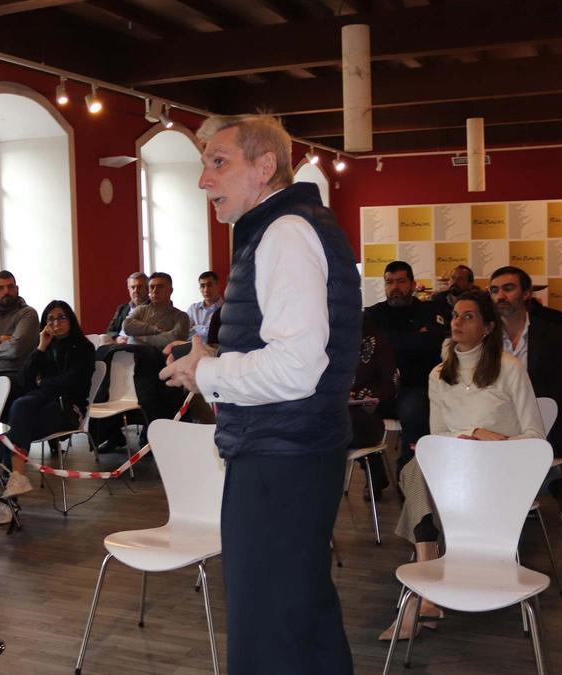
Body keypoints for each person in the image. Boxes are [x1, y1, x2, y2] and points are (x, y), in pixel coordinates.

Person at [161, 113, 358, 674]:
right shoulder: (292, 226)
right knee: (304, 618)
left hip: (280, 458)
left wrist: (209, 375)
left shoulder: (285, 232)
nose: (204, 180)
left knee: (266, 631)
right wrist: (214, 362)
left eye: (219, 162)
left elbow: (297, 368)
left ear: (265, 165)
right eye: (204, 165)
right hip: (295, 451)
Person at [382, 289, 544, 640]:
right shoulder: (439, 375)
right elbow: (438, 435)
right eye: (455, 315)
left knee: (415, 474)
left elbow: (536, 438)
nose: (457, 321)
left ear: (487, 327)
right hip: (456, 472)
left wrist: (489, 437)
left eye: (468, 315)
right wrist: (464, 440)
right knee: (415, 468)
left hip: (502, 470)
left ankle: (424, 595)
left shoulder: (509, 368)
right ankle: (428, 586)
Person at [490, 266, 562, 513]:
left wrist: (526, 397)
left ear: (526, 294)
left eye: (508, 288)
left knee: (531, 413)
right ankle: (555, 483)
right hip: (492, 419)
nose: (500, 295)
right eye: (494, 290)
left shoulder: (551, 333)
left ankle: (523, 496)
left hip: (536, 417)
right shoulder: (485, 335)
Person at [0, 301, 96, 502]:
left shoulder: (84, 347)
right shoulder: (46, 346)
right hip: (41, 407)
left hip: (68, 409)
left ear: (70, 319)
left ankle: (10, 484)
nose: (56, 323)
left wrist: (43, 383)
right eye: (50, 319)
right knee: (14, 425)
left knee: (15, 420)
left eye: (61, 317)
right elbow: (25, 379)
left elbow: (73, 383)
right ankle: (14, 484)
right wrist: (41, 347)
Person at [365, 260, 447, 470]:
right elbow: (368, 349)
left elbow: (432, 344)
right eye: (389, 282)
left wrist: (388, 340)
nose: (395, 287)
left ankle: (408, 477)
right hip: (379, 388)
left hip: (415, 387)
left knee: (413, 411)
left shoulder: (429, 311)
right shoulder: (373, 315)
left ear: (412, 284)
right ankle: (375, 475)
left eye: (401, 281)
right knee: (356, 413)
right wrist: (413, 339)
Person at [349, 315, 399, 494]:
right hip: (339, 411)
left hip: (370, 412)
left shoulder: (375, 340)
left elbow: (390, 385)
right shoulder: (326, 339)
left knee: (342, 423)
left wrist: (367, 398)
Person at [122, 272, 190, 349]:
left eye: (160, 287)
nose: (155, 291)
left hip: (163, 358)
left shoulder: (181, 316)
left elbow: (174, 338)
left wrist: (141, 338)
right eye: (151, 287)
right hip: (134, 356)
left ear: (170, 290)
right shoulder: (140, 310)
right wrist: (155, 330)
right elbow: (126, 326)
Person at [105, 272, 149, 342]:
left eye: (139, 287)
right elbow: (110, 331)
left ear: (147, 288)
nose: (136, 290)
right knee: (102, 338)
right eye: (133, 287)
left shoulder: (153, 308)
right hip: (118, 344)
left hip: (138, 345)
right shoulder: (122, 308)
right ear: (128, 289)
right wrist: (117, 338)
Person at [186, 271, 224, 343]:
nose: (206, 290)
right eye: (202, 286)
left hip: (214, 349)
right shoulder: (193, 308)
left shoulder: (226, 309)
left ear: (218, 286)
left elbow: (217, 334)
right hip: (191, 347)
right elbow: (185, 332)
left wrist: (196, 328)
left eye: (209, 285)